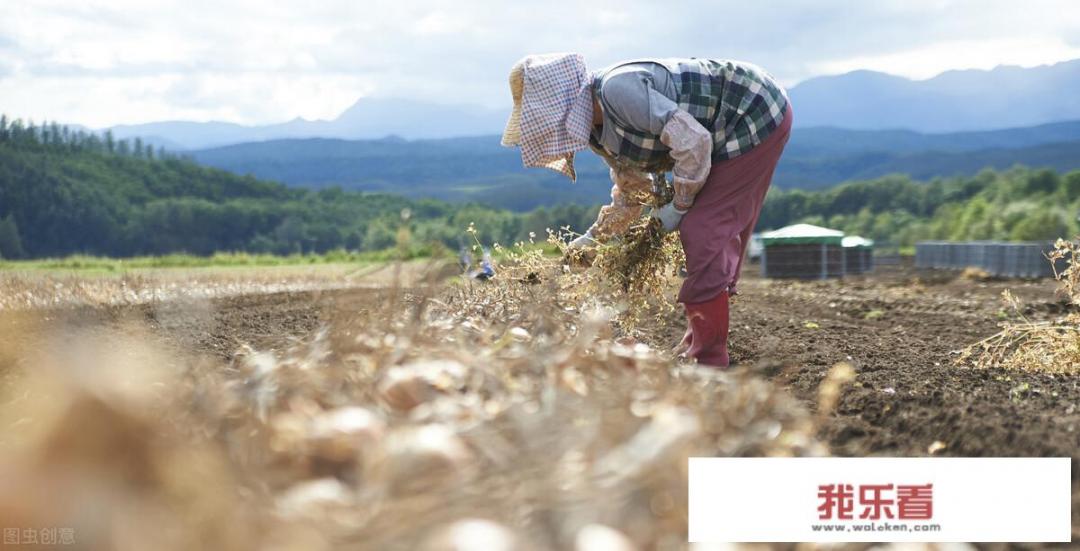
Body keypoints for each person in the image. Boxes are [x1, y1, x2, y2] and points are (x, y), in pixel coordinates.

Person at [500, 53, 792, 368]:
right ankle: (699, 340)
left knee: (701, 230)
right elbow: (633, 192)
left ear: (560, 106)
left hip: (753, 111)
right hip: (717, 135)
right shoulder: (598, 134)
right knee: (709, 231)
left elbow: (694, 143)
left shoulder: (618, 91)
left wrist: (679, 206)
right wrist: (594, 237)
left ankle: (709, 361)